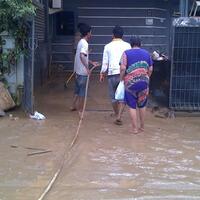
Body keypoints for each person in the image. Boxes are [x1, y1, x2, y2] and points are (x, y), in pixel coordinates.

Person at [120, 36, 153, 134]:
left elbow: (122, 68)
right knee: (142, 105)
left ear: (131, 44)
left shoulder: (126, 53)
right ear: (140, 44)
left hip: (130, 84)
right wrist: (147, 77)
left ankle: (134, 129)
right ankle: (142, 127)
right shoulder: (147, 54)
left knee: (132, 106)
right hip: (144, 83)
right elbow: (150, 69)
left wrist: (121, 79)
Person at [99, 25, 131, 125]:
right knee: (122, 96)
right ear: (123, 35)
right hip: (124, 74)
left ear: (112, 35)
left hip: (112, 74)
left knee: (113, 97)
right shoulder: (127, 46)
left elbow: (105, 63)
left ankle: (116, 113)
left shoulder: (107, 46)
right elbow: (129, 61)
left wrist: (102, 73)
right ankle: (119, 116)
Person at [70, 23, 99, 117]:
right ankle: (81, 111)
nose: (92, 34)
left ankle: (73, 106)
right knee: (82, 92)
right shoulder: (85, 43)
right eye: (91, 32)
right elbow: (82, 55)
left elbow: (83, 55)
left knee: (77, 90)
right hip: (82, 72)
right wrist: (87, 68)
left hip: (78, 71)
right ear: (87, 33)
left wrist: (91, 63)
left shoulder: (80, 42)